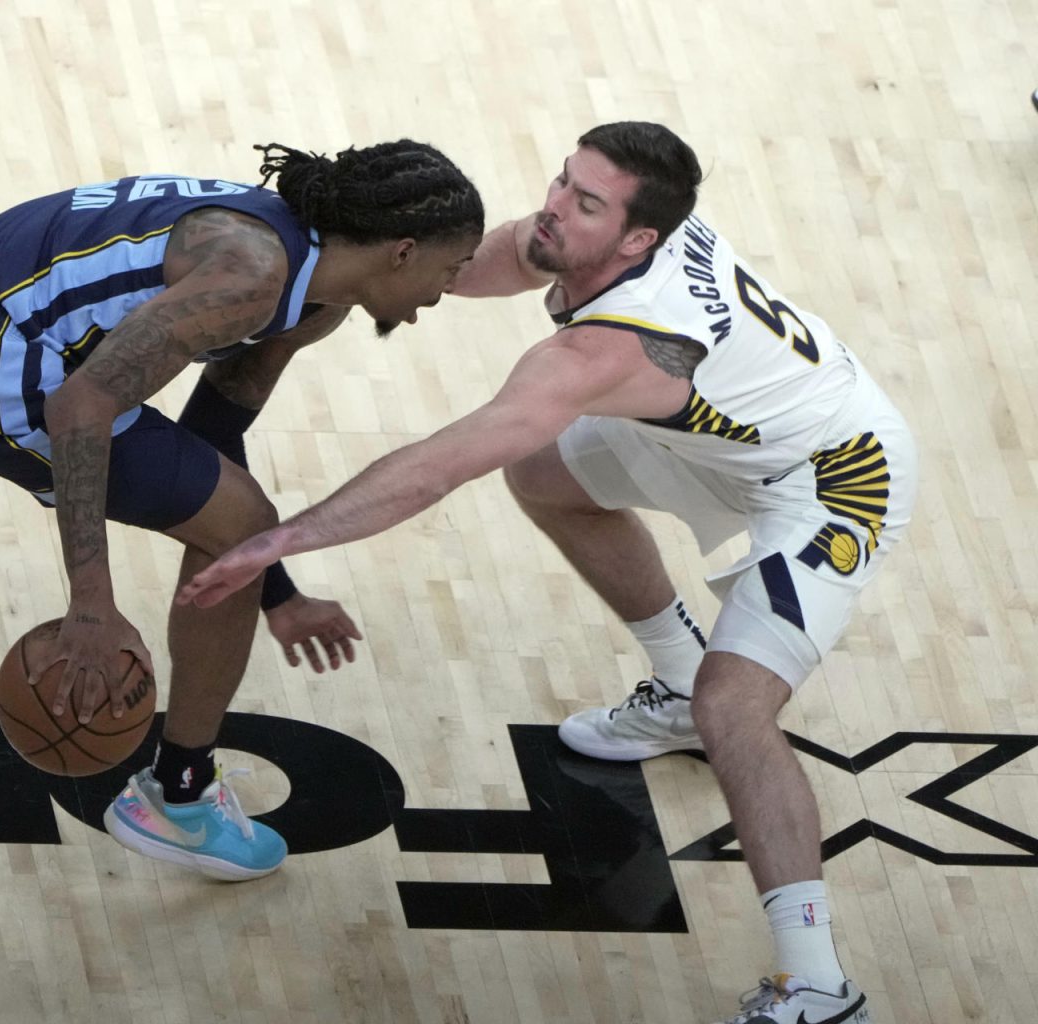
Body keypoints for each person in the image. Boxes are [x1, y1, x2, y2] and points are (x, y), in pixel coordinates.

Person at [181, 121, 909, 1023]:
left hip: (833, 479)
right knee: (547, 473)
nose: (554, 209)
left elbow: (441, 463)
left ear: (641, 238)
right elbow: (479, 265)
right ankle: (677, 685)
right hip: (725, 438)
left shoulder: (609, 350)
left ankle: (820, 988)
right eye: (564, 183)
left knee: (739, 708)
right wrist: (351, 280)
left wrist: (275, 541)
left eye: (585, 202)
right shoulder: (603, 235)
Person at [0, 141, 484, 880]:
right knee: (240, 520)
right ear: (402, 251)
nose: (452, 286)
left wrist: (277, 592)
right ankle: (176, 799)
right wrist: (91, 605)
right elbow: (81, 405)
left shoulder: (309, 294)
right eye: (452, 265)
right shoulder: (253, 274)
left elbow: (211, 435)